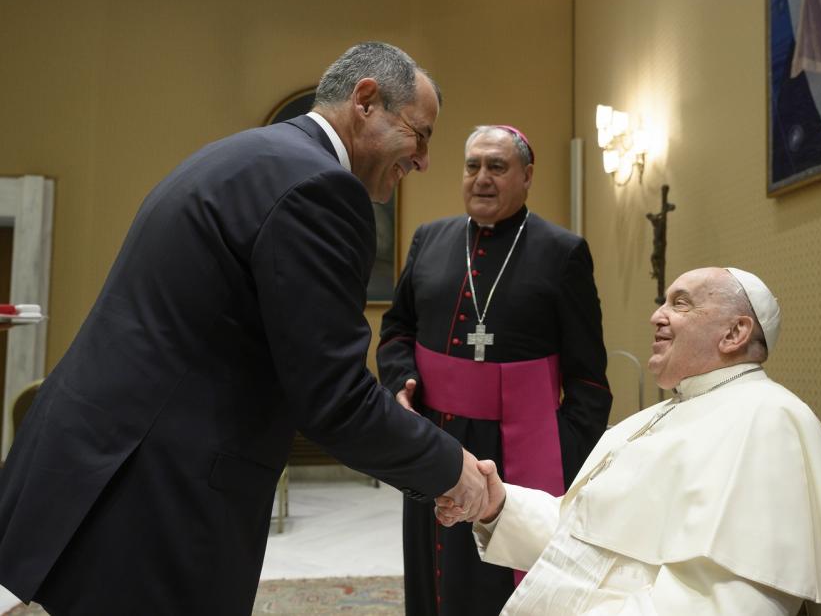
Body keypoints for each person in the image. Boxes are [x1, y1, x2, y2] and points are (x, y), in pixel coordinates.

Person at [0, 42, 490, 615]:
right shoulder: (321, 189)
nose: (425, 160)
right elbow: (334, 401)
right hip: (156, 495)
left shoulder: (243, 155)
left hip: (99, 465)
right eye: (420, 133)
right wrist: (452, 468)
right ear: (365, 101)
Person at [440, 267, 821, 616]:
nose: (656, 315)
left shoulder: (768, 419)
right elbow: (581, 534)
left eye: (680, 304)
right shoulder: (655, 416)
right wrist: (497, 505)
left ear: (734, 334)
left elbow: (728, 602)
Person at [377, 125, 612, 615]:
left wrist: (563, 448)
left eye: (497, 167)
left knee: (497, 580)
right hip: (433, 433)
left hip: (520, 448)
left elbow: (588, 377)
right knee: (433, 569)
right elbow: (397, 330)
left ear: (526, 177)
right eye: (472, 166)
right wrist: (400, 382)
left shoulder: (562, 252)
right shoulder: (430, 239)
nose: (481, 178)